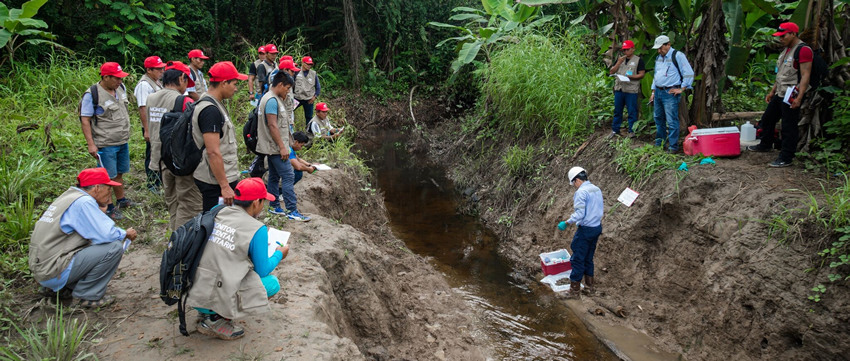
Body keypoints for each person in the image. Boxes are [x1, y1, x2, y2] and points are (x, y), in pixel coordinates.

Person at [186, 178, 289, 340]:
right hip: (216, 289)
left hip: (193, 285)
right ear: (256, 202)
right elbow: (262, 270)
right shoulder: (257, 229)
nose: (264, 206)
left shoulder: (217, 210)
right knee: (271, 283)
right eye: (263, 202)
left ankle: (206, 312)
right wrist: (279, 254)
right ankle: (217, 318)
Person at [29, 168, 138, 308]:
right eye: (108, 189)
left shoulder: (70, 196)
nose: (110, 194)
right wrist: (126, 233)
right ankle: (87, 295)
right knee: (113, 247)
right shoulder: (84, 202)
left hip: (43, 268)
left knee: (93, 242)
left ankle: (63, 288)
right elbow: (107, 234)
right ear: (97, 187)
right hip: (52, 271)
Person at [146, 61, 203, 231]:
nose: (186, 87)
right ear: (181, 77)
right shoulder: (183, 101)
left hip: (160, 158)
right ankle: (181, 243)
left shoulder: (151, 98)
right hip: (180, 161)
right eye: (186, 82)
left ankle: (173, 237)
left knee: (172, 201)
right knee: (189, 203)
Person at [747, 22, 812, 168]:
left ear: (793, 34)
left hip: (792, 94)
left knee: (788, 126)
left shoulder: (803, 50)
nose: (780, 39)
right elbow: (781, 74)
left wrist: (799, 97)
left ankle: (786, 157)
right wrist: (772, 91)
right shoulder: (786, 50)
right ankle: (765, 144)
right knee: (767, 119)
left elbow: (805, 76)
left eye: (783, 36)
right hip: (781, 92)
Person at [80, 62, 137, 220]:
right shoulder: (92, 94)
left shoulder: (121, 89)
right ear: (106, 77)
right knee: (107, 177)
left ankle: (122, 200)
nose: (120, 81)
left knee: (119, 173)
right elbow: (85, 120)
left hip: (122, 140)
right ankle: (108, 206)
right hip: (105, 143)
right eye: (117, 78)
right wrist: (91, 144)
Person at [192, 61, 248, 211]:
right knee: (214, 223)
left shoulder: (215, 103)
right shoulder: (210, 110)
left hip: (220, 176)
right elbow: (213, 151)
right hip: (214, 181)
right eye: (234, 84)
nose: (236, 89)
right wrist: (224, 186)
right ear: (224, 83)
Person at [256, 72, 310, 222]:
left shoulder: (271, 98)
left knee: (274, 176)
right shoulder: (272, 100)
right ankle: (292, 210)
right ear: (279, 84)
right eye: (287, 88)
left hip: (272, 147)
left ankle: (273, 206)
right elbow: (272, 125)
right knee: (288, 175)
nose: (287, 91)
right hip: (275, 147)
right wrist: (282, 147)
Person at [557, 167, 603, 299]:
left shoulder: (581, 192)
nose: (574, 187)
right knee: (588, 257)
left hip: (586, 230)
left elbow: (579, 214)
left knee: (577, 259)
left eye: (573, 184)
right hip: (596, 227)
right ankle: (589, 287)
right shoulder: (596, 189)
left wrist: (566, 223)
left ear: (577, 180)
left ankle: (574, 291)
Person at [649, 35, 694, 153]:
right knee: (658, 118)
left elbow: (688, 73)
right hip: (658, 91)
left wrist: (682, 88)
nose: (659, 51)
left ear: (668, 44)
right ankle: (660, 143)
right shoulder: (659, 58)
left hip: (670, 92)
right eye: (657, 49)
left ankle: (673, 147)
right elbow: (656, 75)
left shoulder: (678, 56)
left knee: (672, 120)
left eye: (661, 48)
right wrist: (653, 91)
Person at [134, 56, 167, 192]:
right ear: (149, 70)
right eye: (158, 69)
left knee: (160, 154)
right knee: (153, 155)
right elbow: (143, 108)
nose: (162, 71)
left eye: (162, 68)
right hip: (151, 128)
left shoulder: (157, 82)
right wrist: (146, 130)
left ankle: (159, 181)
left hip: (158, 125)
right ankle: (152, 184)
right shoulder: (144, 85)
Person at [608, 40, 645, 139]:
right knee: (617, 110)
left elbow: (641, 74)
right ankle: (615, 130)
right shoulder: (620, 60)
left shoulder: (638, 60)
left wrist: (631, 77)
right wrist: (618, 62)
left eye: (627, 49)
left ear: (633, 49)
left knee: (632, 111)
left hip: (631, 90)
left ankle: (632, 131)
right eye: (624, 50)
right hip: (619, 89)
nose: (625, 52)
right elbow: (611, 71)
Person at [294, 56, 321, 127]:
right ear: (302, 63)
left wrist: (314, 97)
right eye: (307, 64)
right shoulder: (296, 71)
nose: (309, 66)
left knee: (309, 118)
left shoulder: (313, 74)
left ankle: (308, 134)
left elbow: (318, 87)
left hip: (309, 99)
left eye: (310, 64)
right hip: (297, 98)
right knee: (289, 112)